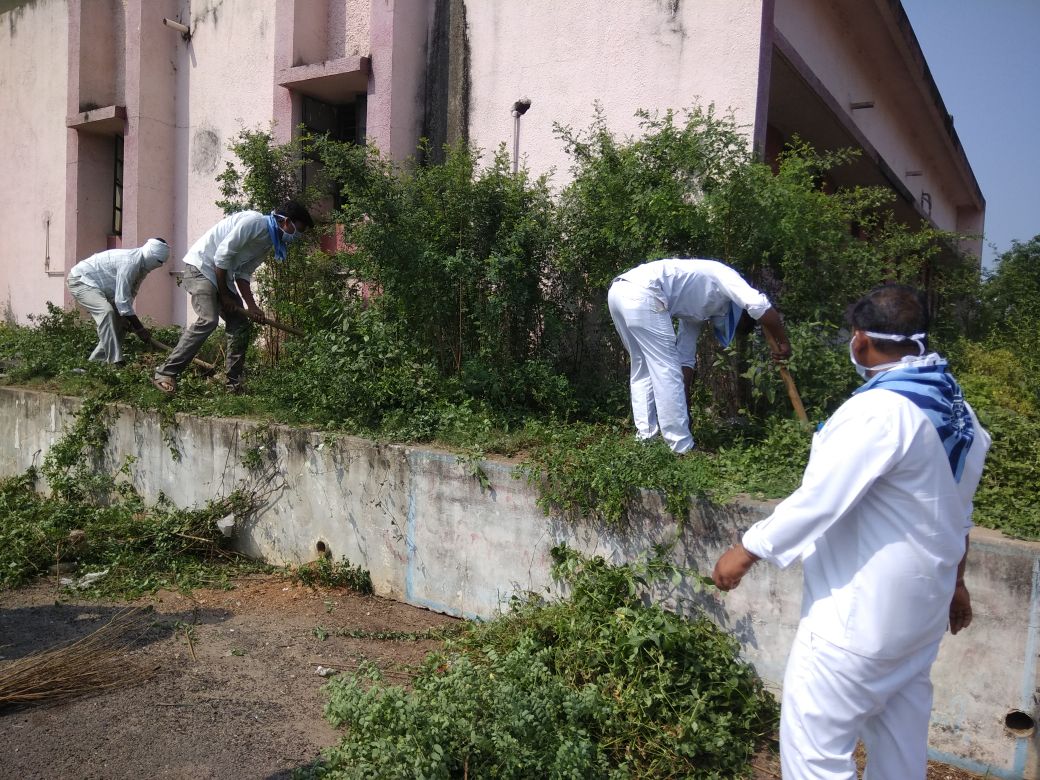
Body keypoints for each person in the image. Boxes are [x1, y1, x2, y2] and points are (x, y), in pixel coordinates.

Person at [711, 284, 990, 780]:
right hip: (920, 617)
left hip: (856, 623)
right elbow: (957, 509)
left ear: (860, 340)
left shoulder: (879, 412)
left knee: (815, 757)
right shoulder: (956, 410)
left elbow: (820, 499)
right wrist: (958, 581)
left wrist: (747, 549)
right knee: (900, 750)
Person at [607, 258, 792, 453]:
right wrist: (783, 343)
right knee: (666, 369)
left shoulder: (696, 308)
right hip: (643, 293)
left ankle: (646, 441)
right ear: (738, 311)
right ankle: (681, 447)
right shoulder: (725, 276)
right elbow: (760, 304)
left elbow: (685, 360)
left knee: (643, 367)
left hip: (619, 293)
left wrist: (685, 410)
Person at [151, 200, 313, 394]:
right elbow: (221, 257)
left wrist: (252, 307)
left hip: (222, 275)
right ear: (286, 222)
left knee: (240, 325)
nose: (297, 236)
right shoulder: (254, 222)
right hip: (201, 267)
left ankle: (233, 386)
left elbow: (243, 274)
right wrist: (225, 296)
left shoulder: (269, 242)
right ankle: (165, 373)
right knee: (208, 320)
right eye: (298, 230)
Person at [66, 238, 171, 364]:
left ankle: (97, 362)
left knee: (122, 322)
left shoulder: (142, 268)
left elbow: (130, 294)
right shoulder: (130, 263)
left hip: (100, 287)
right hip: (81, 280)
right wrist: (140, 328)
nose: (160, 265)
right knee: (106, 312)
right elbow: (122, 301)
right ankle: (115, 361)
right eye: (159, 261)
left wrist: (128, 319)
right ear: (150, 255)